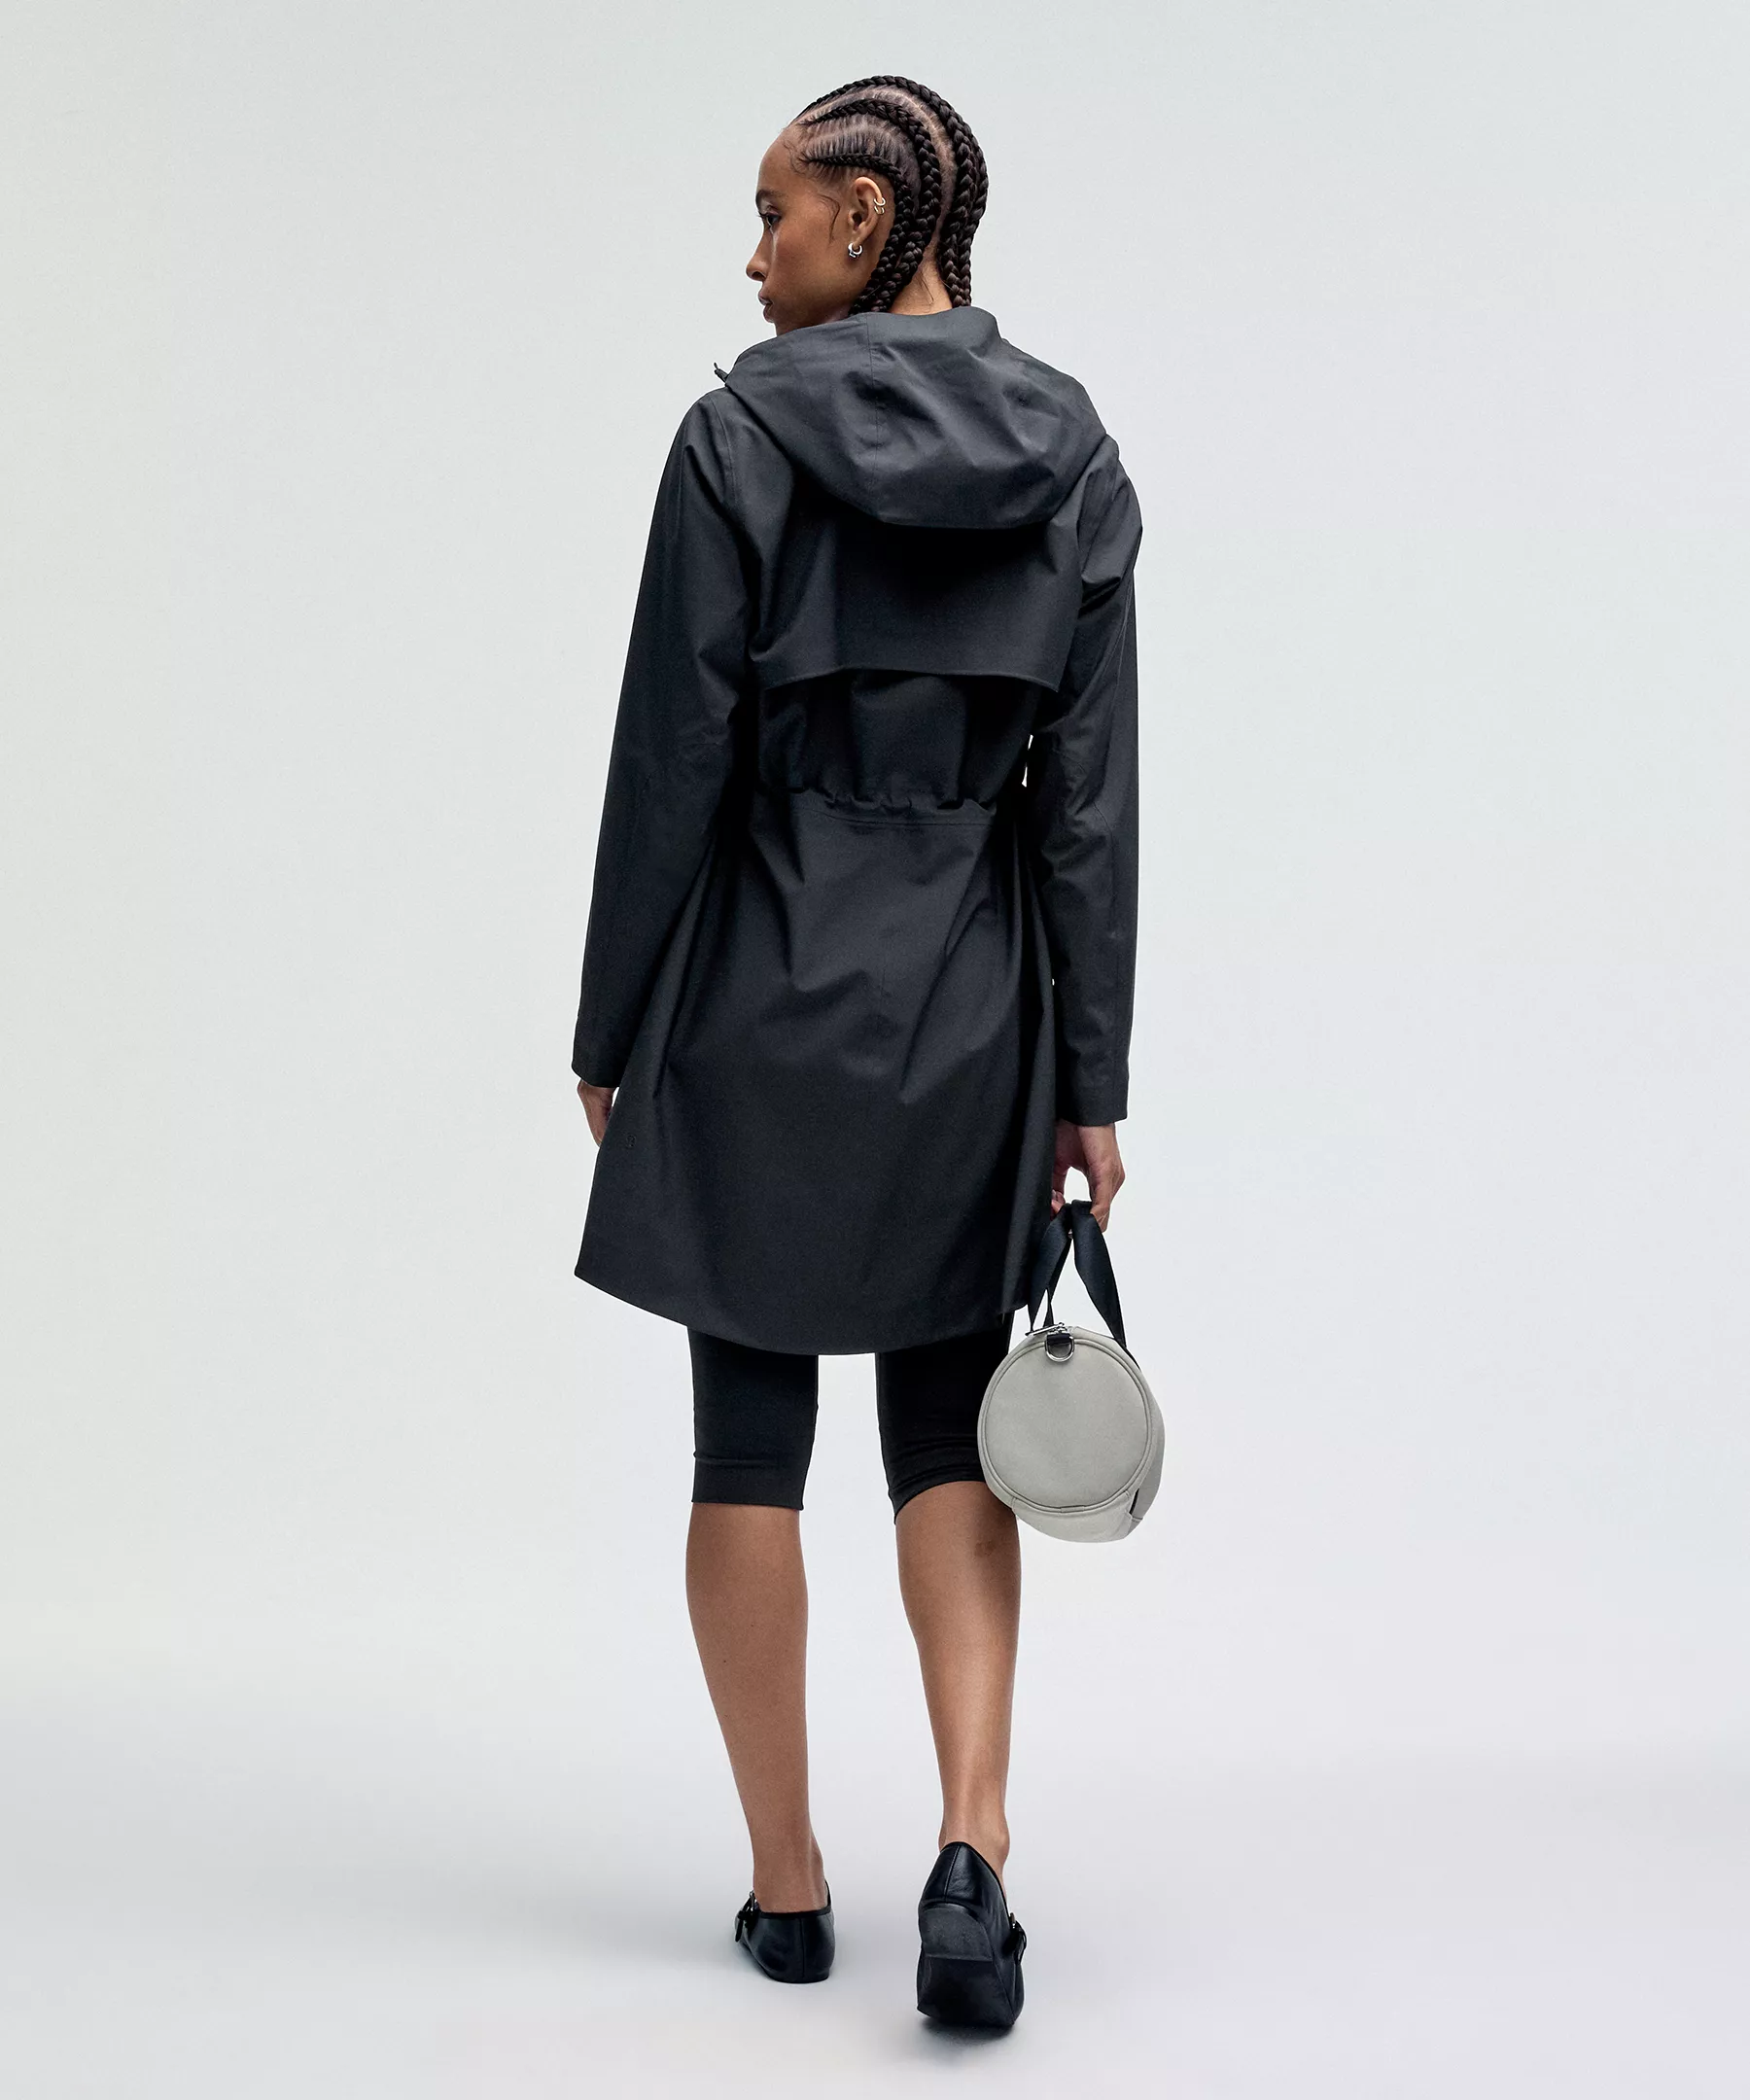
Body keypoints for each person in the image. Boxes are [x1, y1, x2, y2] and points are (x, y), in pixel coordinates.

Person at [570, 75, 1140, 2029]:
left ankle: (790, 1887)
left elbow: (670, 758)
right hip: (974, 997)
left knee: (748, 1440)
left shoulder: (736, 439)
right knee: (945, 1431)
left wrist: (608, 1020)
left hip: (750, 980)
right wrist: (1092, 1080)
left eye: (776, 213)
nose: (753, 255)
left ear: (871, 221)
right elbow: (1087, 807)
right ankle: (972, 1845)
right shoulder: (1074, 451)